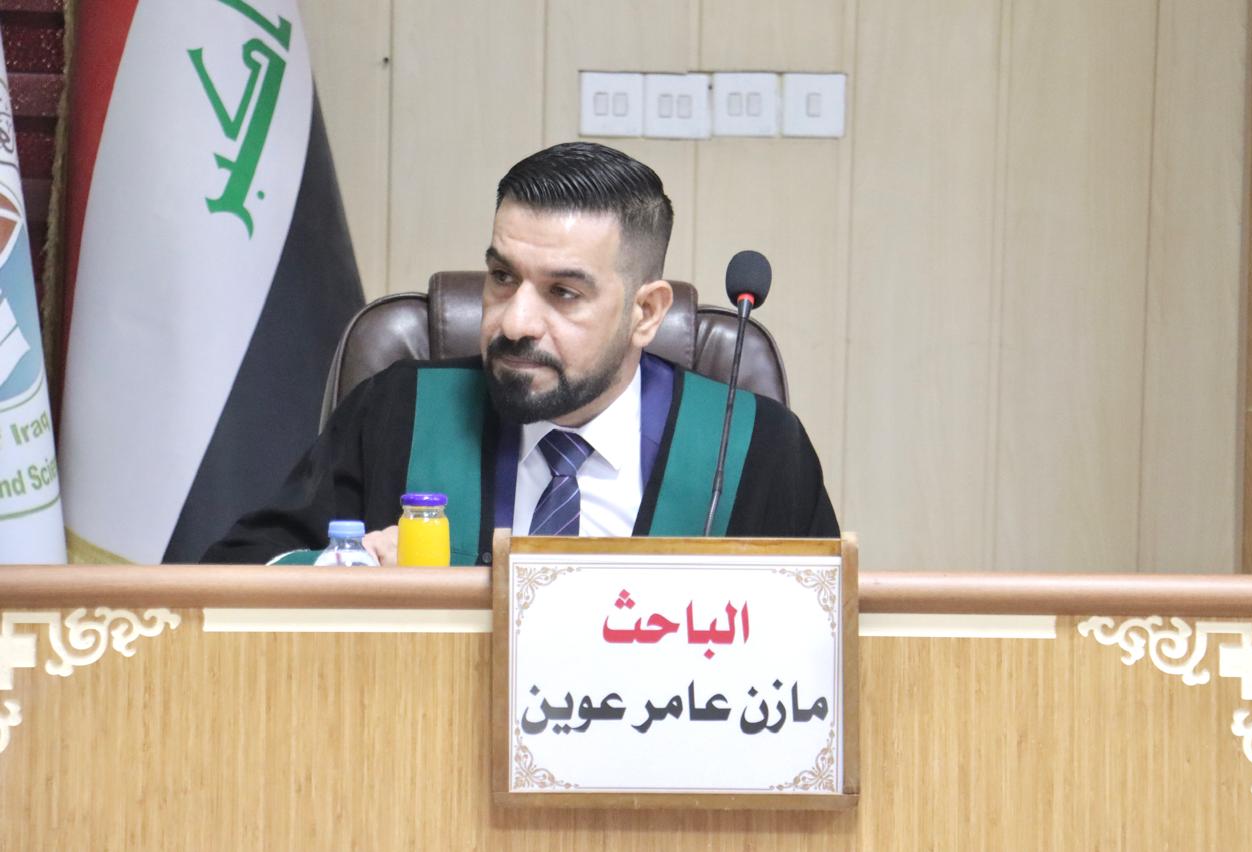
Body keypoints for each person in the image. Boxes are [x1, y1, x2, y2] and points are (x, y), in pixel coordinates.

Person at [203, 142, 838, 566]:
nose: (514, 321)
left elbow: (822, 647)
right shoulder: (397, 412)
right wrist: (351, 570)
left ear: (645, 312)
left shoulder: (756, 448)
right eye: (503, 277)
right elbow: (235, 576)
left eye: (564, 293)